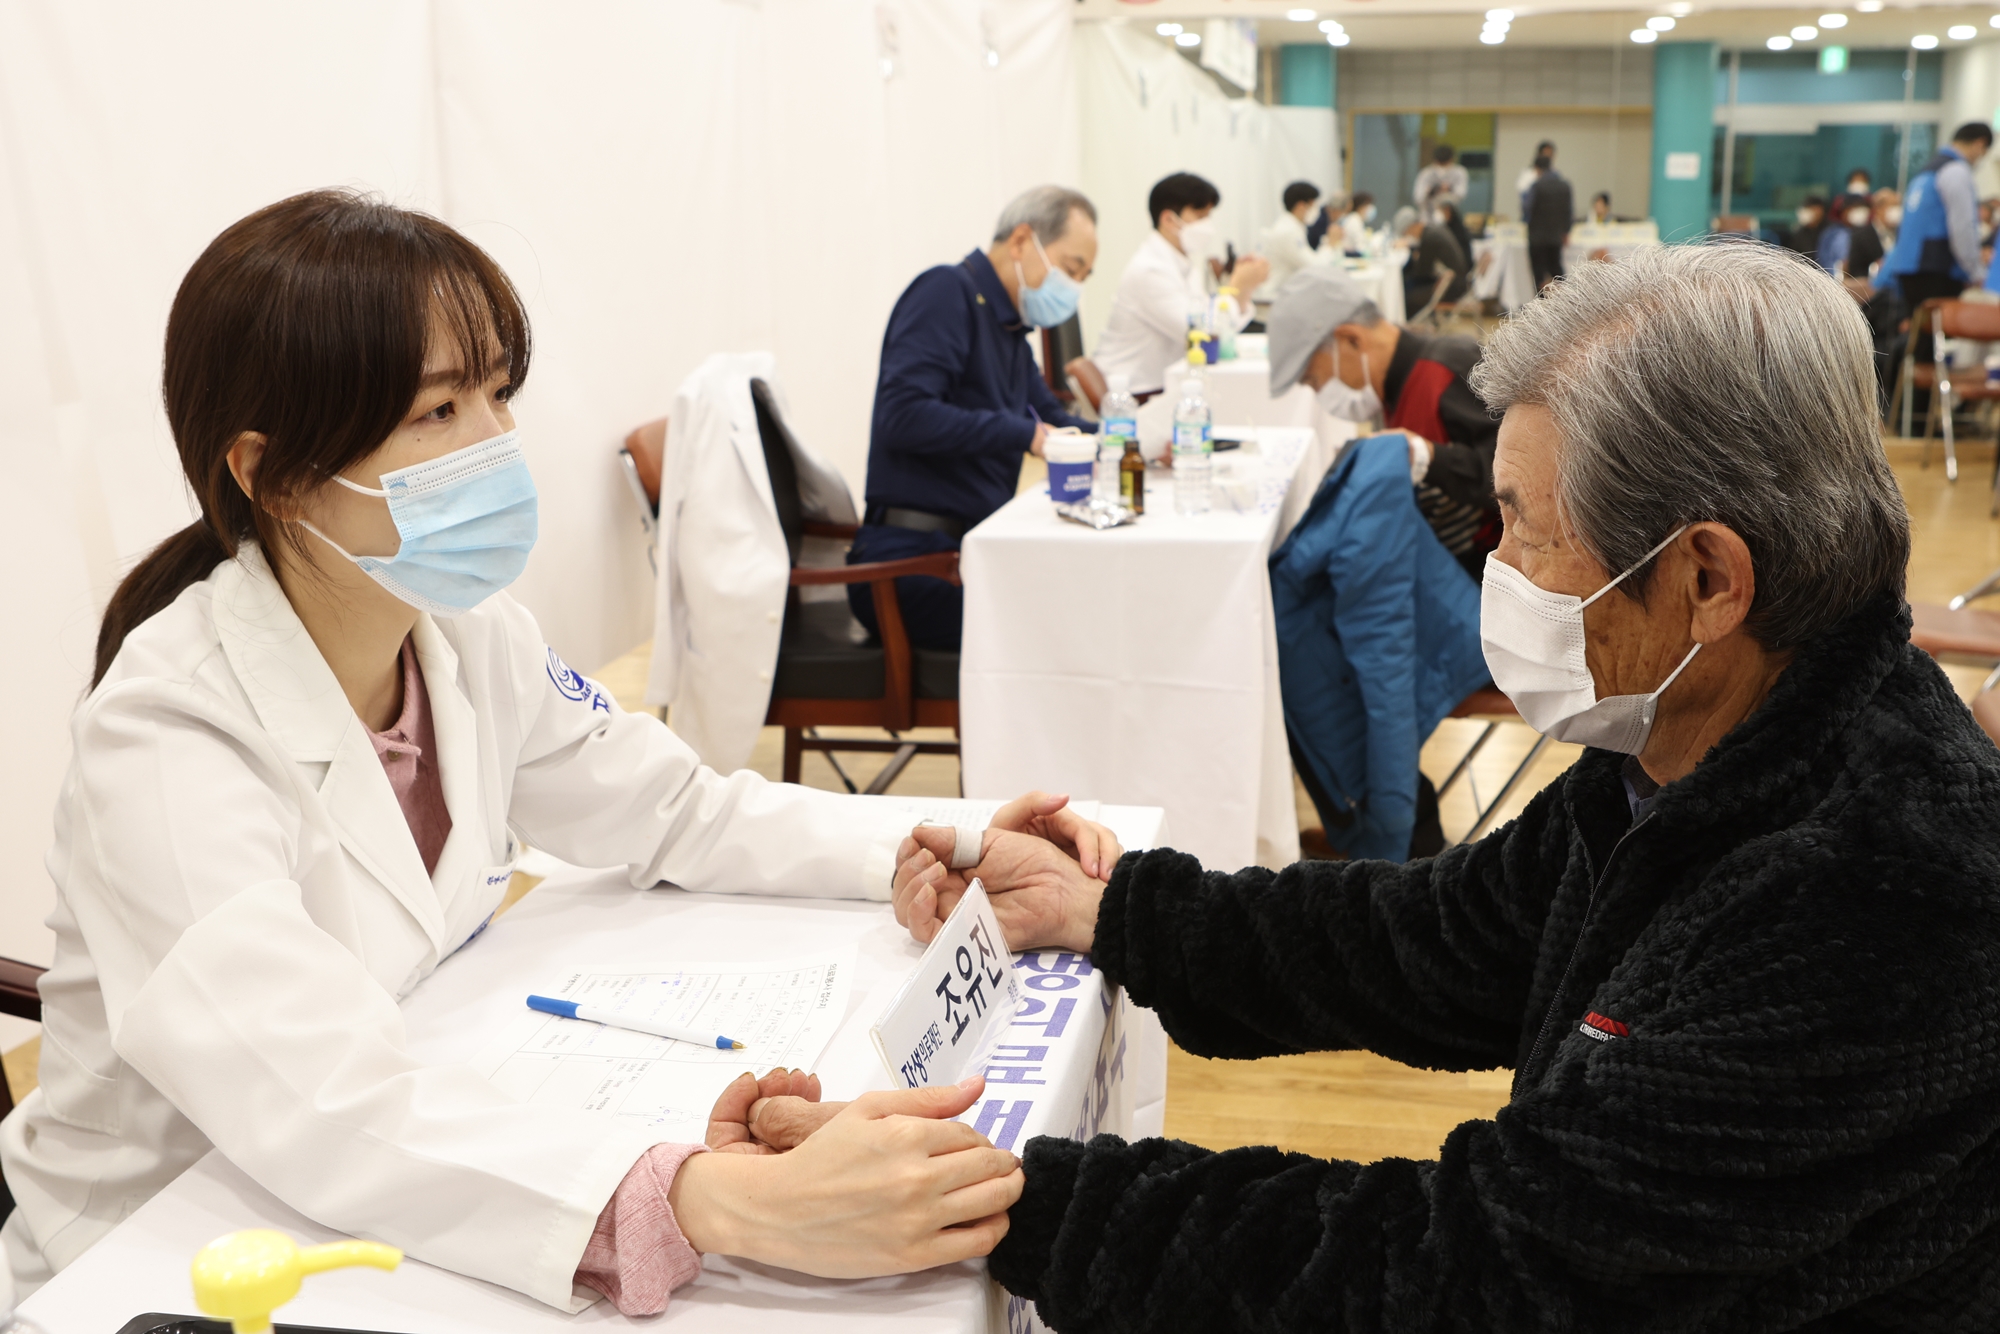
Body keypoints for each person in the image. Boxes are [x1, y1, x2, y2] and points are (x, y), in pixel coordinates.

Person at [0, 189, 1139, 1315]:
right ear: (270, 470)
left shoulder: (464, 635)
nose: (496, 446)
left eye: (496, 395)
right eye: (437, 414)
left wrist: (946, 835)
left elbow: (674, 808)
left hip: (389, 1170)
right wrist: (709, 1201)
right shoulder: (164, 737)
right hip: (163, 1251)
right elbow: (313, 1094)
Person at [893, 241, 2000, 1332]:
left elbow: (1476, 1270)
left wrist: (1003, 1200)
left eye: (1521, 524)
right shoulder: (1702, 742)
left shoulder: (1887, 889)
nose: (1495, 565)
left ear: (1703, 577)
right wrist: (1111, 907)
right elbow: (1439, 933)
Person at [852, 185, 1099, 650]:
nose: (1076, 289)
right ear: (1022, 240)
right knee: (1067, 622)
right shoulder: (946, 293)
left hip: (964, 552)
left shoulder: (1008, 331)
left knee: (1086, 592)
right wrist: (1023, 433)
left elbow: (1051, 420)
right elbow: (903, 416)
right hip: (908, 565)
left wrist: (1129, 442)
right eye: (1071, 269)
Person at [1267, 268, 1498, 578]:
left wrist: (1428, 456)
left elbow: (1519, 479)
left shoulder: (1445, 371)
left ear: (1351, 339)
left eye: (1315, 380)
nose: (1320, 394)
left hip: (1486, 575)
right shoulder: (1391, 393)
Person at [1094, 173, 1269, 396]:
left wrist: (1244, 289)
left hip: (1168, 382)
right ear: (1168, 220)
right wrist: (1235, 286)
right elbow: (1203, 335)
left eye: (1209, 216)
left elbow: (1214, 322)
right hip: (1134, 391)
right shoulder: (1150, 270)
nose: (1208, 226)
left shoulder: (1182, 264)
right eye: (1200, 215)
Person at [1883, 121, 1992, 308]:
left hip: (1909, 268)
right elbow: (1962, 227)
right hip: (1936, 269)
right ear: (1980, 144)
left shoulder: (1925, 173)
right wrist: (1976, 272)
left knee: (1920, 333)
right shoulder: (1956, 171)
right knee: (1937, 335)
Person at [1259, 180, 1331, 295]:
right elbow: (1314, 267)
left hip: (1285, 291)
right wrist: (1330, 245)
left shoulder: (1293, 227)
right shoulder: (1288, 231)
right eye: (1313, 205)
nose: (1316, 210)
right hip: (1275, 295)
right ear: (1301, 205)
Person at [1400, 208, 1470, 313]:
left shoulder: (1429, 238)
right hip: (1458, 282)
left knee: (1405, 297)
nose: (1408, 236)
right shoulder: (1432, 231)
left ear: (1413, 226)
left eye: (1407, 233)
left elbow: (1422, 272)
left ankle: (1411, 327)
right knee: (1410, 287)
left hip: (1453, 288)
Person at [1522, 152, 1573, 291]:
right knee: (1557, 271)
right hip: (1556, 237)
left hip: (1537, 238)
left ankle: (1540, 306)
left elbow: (1527, 209)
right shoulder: (1565, 186)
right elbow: (1568, 211)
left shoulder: (1536, 186)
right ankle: (1565, 302)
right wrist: (1566, 231)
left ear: (1537, 169)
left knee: (1539, 274)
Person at [1412, 143, 1468, 210]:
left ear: (1452, 160)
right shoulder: (1426, 173)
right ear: (1435, 161)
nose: (1442, 168)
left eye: (1445, 164)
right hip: (1429, 212)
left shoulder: (1459, 172)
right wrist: (1433, 191)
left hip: (1450, 212)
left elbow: (1461, 194)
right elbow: (1418, 198)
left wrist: (1449, 189)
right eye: (1440, 164)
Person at [1515, 138, 1555, 211]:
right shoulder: (1527, 174)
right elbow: (1525, 200)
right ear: (1539, 154)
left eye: (1550, 155)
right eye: (1546, 154)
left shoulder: (1555, 175)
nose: (1548, 158)